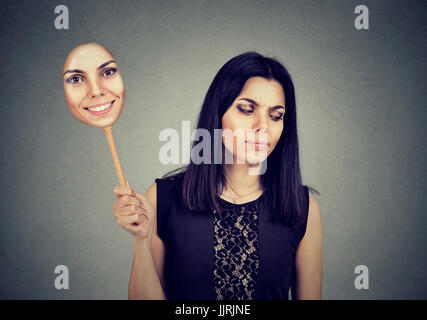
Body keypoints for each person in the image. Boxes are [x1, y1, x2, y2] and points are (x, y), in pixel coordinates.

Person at [112, 52, 323, 300]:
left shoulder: (303, 207)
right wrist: (140, 241)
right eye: (246, 110)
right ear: (217, 114)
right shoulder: (162, 199)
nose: (262, 126)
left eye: (275, 116)